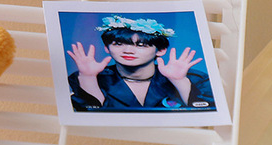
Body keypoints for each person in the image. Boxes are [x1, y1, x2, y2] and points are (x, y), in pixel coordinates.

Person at [67, 15, 215, 112]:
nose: (128, 50)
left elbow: (203, 112)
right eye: (118, 44)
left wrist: (179, 81)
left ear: (161, 50)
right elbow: (92, 111)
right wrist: (88, 78)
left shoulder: (195, 79)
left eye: (141, 45)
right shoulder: (91, 78)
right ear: (107, 48)